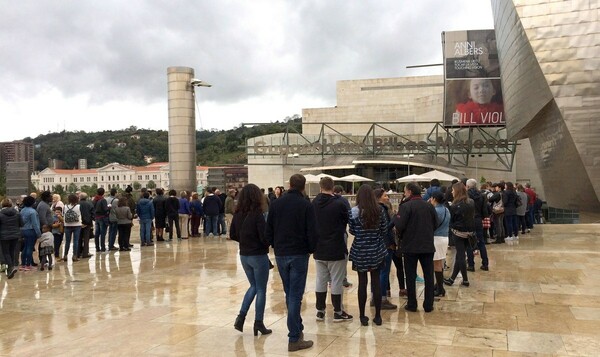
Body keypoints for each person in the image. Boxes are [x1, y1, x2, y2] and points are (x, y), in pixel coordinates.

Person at [266, 174, 317, 352]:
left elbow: (269, 228)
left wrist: (274, 244)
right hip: (299, 253)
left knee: (290, 293)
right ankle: (294, 338)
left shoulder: (276, 203)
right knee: (295, 295)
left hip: (281, 253)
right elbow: (312, 230)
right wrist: (311, 248)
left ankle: (298, 328)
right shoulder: (305, 205)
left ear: (289, 185)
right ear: (303, 187)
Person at [230, 184, 273, 336]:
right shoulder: (257, 214)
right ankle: (258, 323)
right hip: (258, 255)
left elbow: (233, 234)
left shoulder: (237, 213)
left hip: (244, 255)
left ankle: (241, 317)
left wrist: (245, 241)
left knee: (253, 286)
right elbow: (264, 237)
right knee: (261, 289)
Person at [312, 177, 353, 323]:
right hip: (336, 247)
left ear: (320, 186)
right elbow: (347, 221)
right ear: (333, 186)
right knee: (336, 281)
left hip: (319, 248)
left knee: (321, 280)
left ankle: (320, 311)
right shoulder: (339, 203)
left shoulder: (314, 203)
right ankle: (337, 311)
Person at [393, 183, 437, 312]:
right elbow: (436, 223)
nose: (404, 193)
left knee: (410, 276)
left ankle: (412, 304)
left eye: (405, 191)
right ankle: (428, 304)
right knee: (429, 275)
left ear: (410, 192)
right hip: (427, 245)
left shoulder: (406, 206)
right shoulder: (429, 206)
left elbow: (399, 226)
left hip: (410, 246)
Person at [349, 184, 387, 326]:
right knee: (376, 282)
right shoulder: (379, 210)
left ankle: (362, 316)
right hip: (376, 250)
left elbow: (352, 230)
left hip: (360, 250)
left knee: (362, 283)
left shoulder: (354, 212)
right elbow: (384, 230)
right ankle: (377, 316)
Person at [444, 182, 475, 287]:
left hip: (458, 232)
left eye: (453, 190)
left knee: (460, 256)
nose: (452, 192)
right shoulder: (471, 202)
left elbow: (452, 220)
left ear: (456, 191)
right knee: (460, 255)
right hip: (469, 232)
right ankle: (452, 279)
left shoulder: (455, 205)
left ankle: (465, 280)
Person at [374, 188, 399, 310]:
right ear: (379, 197)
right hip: (385, 244)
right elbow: (385, 228)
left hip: (376, 244)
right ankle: (382, 298)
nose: (387, 197)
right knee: (384, 272)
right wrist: (394, 220)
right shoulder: (382, 210)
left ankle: (375, 297)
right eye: (385, 196)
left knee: (376, 272)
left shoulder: (370, 209)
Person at [428, 191, 450, 297]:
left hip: (436, 238)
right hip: (445, 238)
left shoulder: (435, 210)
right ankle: (439, 285)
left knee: (436, 263)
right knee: (440, 263)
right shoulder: (446, 209)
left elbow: (431, 225)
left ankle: (440, 289)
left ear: (434, 199)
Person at [466, 179, 490, 271]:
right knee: (481, 242)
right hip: (478, 219)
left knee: (469, 243)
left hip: (469, 220)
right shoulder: (482, 195)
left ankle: (471, 265)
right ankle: (485, 263)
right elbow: (485, 210)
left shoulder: (466, 195)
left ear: (467, 186)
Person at [0, 198, 23, 278]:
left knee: (6, 252)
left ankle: (11, 267)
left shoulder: (1, 214)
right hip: (15, 235)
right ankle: (12, 267)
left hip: (4, 236)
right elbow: (21, 224)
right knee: (12, 251)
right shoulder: (17, 213)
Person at [20, 196, 41, 270]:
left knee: (25, 248)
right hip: (31, 230)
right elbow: (35, 224)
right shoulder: (33, 212)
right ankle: (28, 265)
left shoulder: (22, 210)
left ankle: (23, 264)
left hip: (23, 230)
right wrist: (38, 233)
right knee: (30, 248)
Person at [63, 194, 82, 262]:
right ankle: (74, 256)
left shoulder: (65, 207)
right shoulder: (78, 206)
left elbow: (63, 215)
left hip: (67, 225)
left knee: (67, 241)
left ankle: (65, 255)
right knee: (75, 241)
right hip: (77, 224)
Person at [78, 192, 94, 259]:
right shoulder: (89, 204)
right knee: (86, 239)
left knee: (79, 238)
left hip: (79, 223)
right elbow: (93, 213)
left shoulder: (77, 204)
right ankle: (85, 252)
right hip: (87, 223)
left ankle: (78, 252)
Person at [93, 188, 109, 252]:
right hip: (103, 217)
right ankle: (103, 247)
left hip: (97, 217)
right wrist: (109, 208)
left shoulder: (94, 200)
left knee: (97, 233)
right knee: (103, 233)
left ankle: (97, 247)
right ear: (103, 193)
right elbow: (105, 209)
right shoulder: (103, 200)